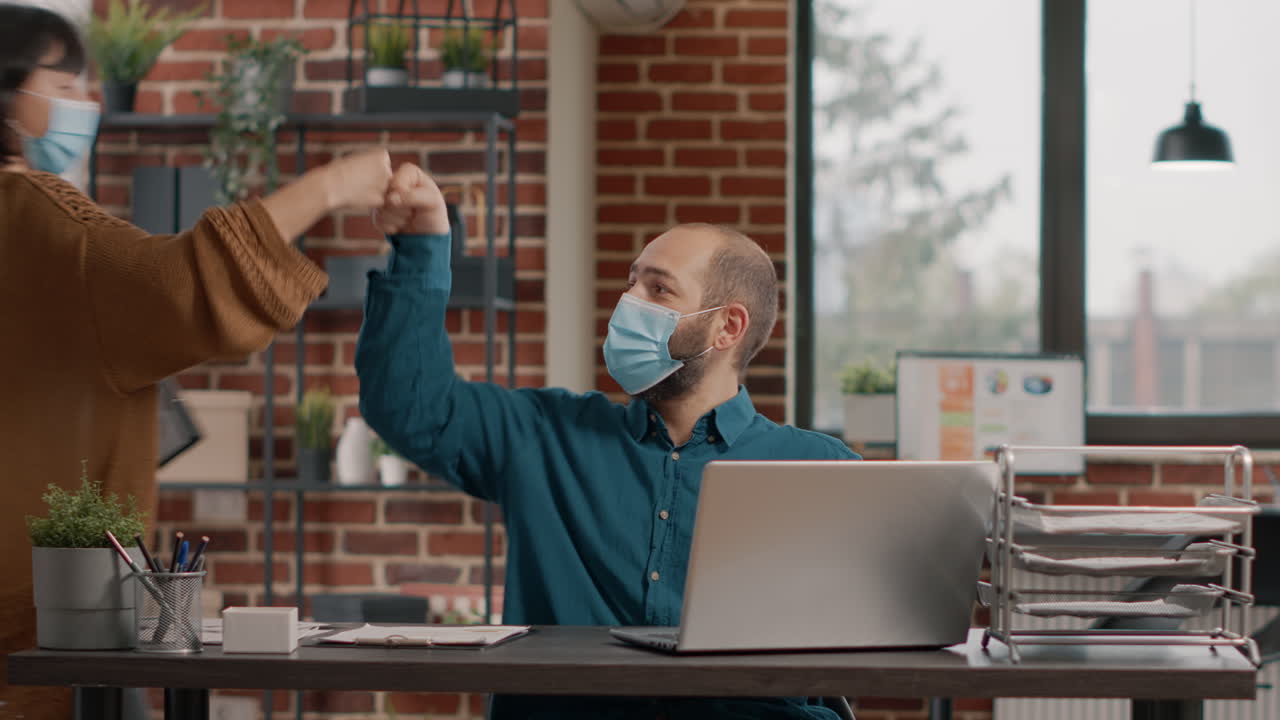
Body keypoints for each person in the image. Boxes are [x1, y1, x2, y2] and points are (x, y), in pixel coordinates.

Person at [0, 6, 395, 718]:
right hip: (43, 639)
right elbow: (186, 284)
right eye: (65, 83)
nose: (83, 103)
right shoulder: (43, 224)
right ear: (10, 93)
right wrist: (331, 188)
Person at [358, 164, 859, 719]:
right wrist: (424, 244)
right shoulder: (543, 434)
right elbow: (408, 405)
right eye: (631, 280)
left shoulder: (821, 470)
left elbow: (887, 619)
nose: (628, 301)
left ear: (728, 327)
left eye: (658, 287)